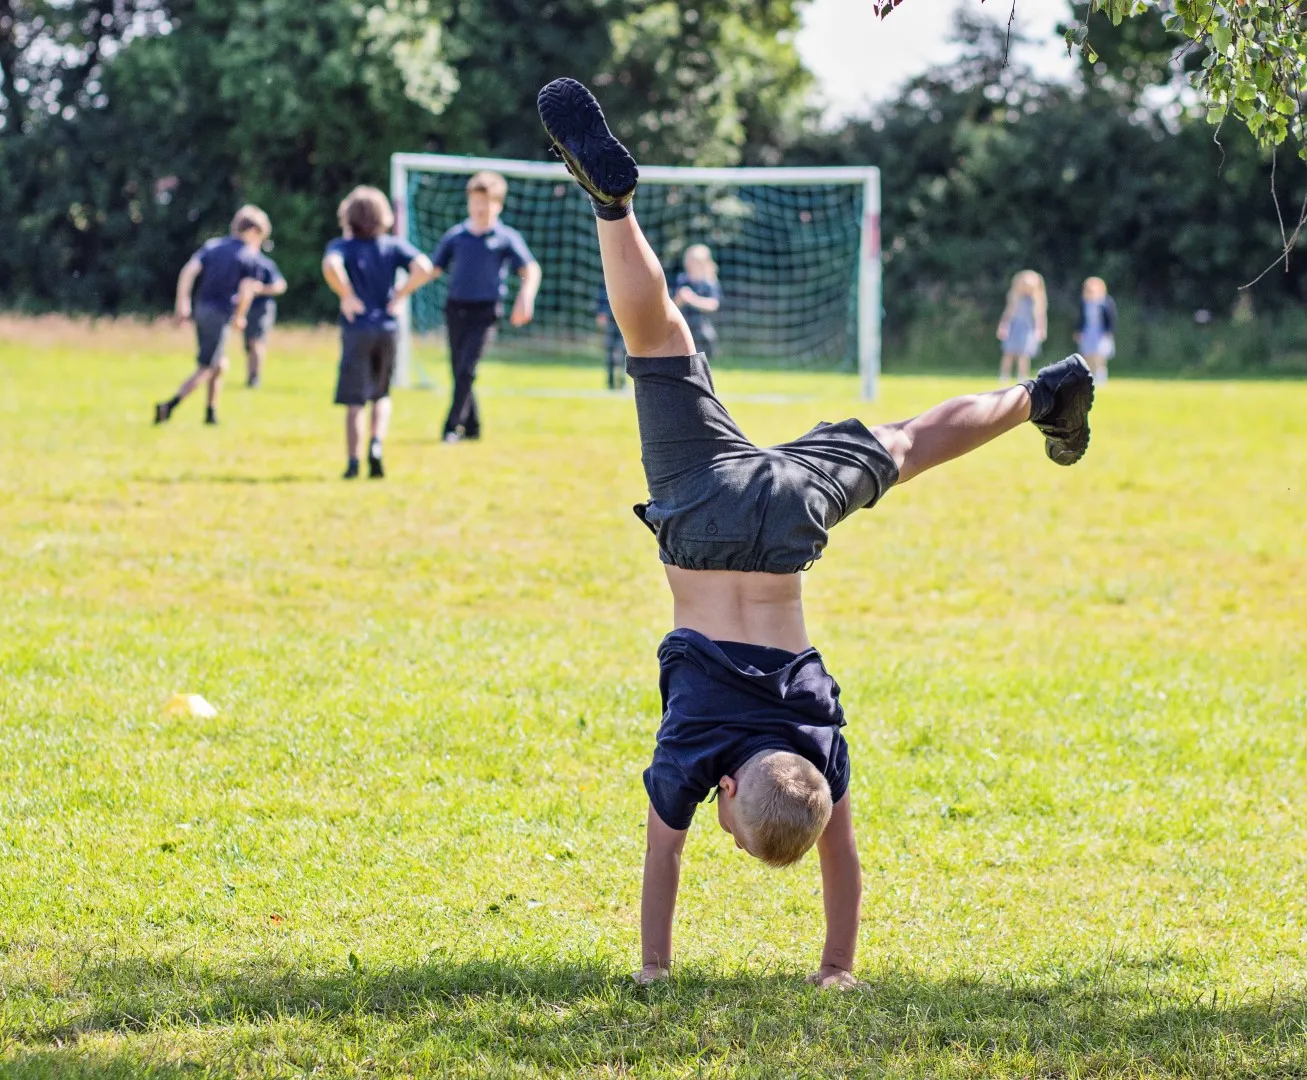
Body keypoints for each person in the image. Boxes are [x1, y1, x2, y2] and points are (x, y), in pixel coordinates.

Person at [536, 77, 1095, 990]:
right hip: (703, 509)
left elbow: (841, 860)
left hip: (787, 509)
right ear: (724, 792)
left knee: (907, 442)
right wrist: (652, 970)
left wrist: (844, 965)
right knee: (659, 339)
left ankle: (1044, 390)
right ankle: (610, 210)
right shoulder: (692, 755)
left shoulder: (819, 744)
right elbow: (663, 860)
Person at [320, 186, 435, 479]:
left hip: (357, 328)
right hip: (387, 328)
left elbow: (330, 266)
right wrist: (402, 293)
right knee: (381, 394)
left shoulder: (342, 246)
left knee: (355, 400)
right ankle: (376, 446)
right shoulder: (393, 246)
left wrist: (346, 294)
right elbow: (423, 266)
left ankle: (353, 462)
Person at [425, 171, 541, 442]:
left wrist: (526, 295)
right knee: (459, 370)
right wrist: (404, 287)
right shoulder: (456, 236)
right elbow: (433, 268)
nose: (481, 207)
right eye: (476, 201)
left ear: (498, 205)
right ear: (469, 203)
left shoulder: (505, 237)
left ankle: (452, 427)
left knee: (467, 369)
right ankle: (473, 426)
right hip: (455, 309)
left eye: (487, 202)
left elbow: (530, 268)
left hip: (485, 311)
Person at [154, 206, 279, 426]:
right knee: (209, 366)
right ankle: (169, 406)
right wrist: (240, 316)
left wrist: (182, 303)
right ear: (252, 231)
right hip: (221, 314)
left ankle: (211, 413)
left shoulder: (213, 246)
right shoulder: (249, 256)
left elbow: (189, 270)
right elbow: (247, 289)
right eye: (260, 237)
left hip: (201, 309)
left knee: (219, 363)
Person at [242, 249, 287, 388]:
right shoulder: (242, 264)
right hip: (245, 308)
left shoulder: (265, 264)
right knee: (249, 344)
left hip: (262, 308)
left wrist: (261, 289)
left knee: (257, 342)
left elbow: (280, 286)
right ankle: (250, 376)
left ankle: (254, 378)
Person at [995, 270, 1047, 383]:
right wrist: (1003, 325)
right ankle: (1004, 375)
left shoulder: (1036, 300)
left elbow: (1040, 316)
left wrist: (1041, 329)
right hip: (1014, 328)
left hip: (1028, 330)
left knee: (1024, 355)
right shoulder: (1015, 298)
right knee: (1008, 353)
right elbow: (1008, 313)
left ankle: (1022, 376)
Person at [672, 244, 722, 359]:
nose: (689, 263)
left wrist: (692, 299)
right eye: (688, 260)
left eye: (693, 261)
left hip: (702, 332)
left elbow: (713, 304)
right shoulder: (681, 280)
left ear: (703, 263)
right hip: (683, 328)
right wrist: (680, 299)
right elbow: (673, 306)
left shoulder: (709, 283)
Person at [1075, 276, 1118, 387]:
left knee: (1100, 355)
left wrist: (1110, 331)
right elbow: (1080, 318)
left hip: (1101, 332)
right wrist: (1078, 331)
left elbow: (1111, 318)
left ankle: (1101, 376)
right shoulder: (1083, 303)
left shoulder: (1106, 302)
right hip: (1087, 332)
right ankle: (1090, 377)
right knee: (1088, 355)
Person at [596, 281, 626, 390]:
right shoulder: (606, 280)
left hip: (624, 319)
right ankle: (610, 382)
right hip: (610, 319)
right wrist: (601, 312)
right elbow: (601, 296)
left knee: (624, 351)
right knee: (610, 351)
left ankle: (622, 382)